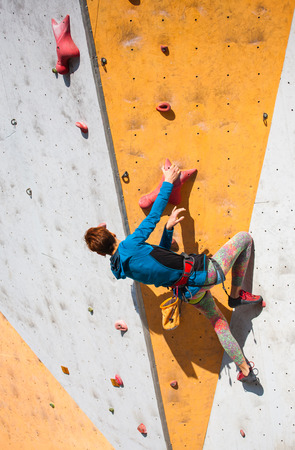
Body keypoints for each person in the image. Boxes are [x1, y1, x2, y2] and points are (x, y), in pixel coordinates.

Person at [85, 164, 263, 383]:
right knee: (244, 239)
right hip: (203, 273)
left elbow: (162, 261)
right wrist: (168, 182)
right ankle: (235, 294)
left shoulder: (123, 268)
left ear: (103, 254)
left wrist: (168, 229)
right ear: (112, 233)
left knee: (218, 322)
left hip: (188, 292)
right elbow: (153, 216)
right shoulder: (129, 245)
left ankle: (244, 369)